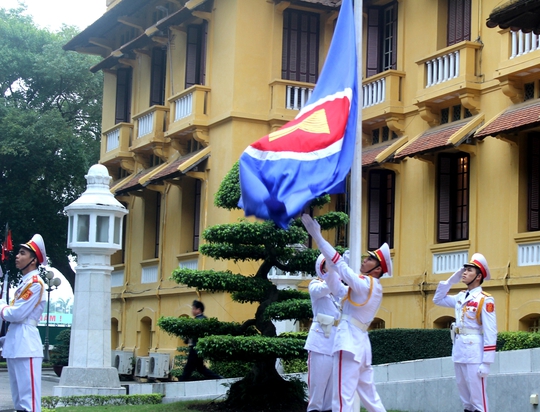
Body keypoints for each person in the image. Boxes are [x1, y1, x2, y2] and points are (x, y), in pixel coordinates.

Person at [302, 214, 388, 412]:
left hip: (347, 343)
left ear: (376, 268)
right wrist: (333, 268)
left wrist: (319, 238)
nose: (364, 260)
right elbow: (335, 285)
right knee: (370, 398)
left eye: (369, 259)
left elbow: (341, 268)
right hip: (358, 344)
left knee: (342, 398)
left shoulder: (365, 284)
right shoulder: (369, 287)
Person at [433, 253, 497, 412]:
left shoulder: (485, 299)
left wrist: (487, 362)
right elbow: (438, 299)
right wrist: (449, 282)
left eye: (469, 270)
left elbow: (490, 331)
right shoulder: (461, 296)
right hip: (460, 349)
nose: (464, 273)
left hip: (475, 352)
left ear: (478, 276)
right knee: (465, 399)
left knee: (478, 400)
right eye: (465, 269)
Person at [0, 234, 47, 412]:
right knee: (19, 401)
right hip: (16, 343)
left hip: (26, 344)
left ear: (33, 260)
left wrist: (1, 307)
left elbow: (17, 314)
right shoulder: (24, 283)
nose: (17, 257)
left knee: (29, 403)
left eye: (22, 253)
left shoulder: (35, 284)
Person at [304, 254, 344, 412]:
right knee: (317, 391)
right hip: (320, 342)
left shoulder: (338, 289)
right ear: (322, 267)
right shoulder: (315, 284)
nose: (333, 266)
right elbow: (324, 288)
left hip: (336, 342)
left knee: (331, 395)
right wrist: (336, 275)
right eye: (329, 264)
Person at [179, 300, 222, 381]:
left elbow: (193, 333)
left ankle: (181, 382)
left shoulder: (200, 320)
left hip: (196, 348)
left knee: (189, 367)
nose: (192, 310)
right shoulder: (201, 319)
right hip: (197, 348)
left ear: (198, 309)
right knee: (200, 368)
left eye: (193, 309)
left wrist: (188, 339)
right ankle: (218, 378)